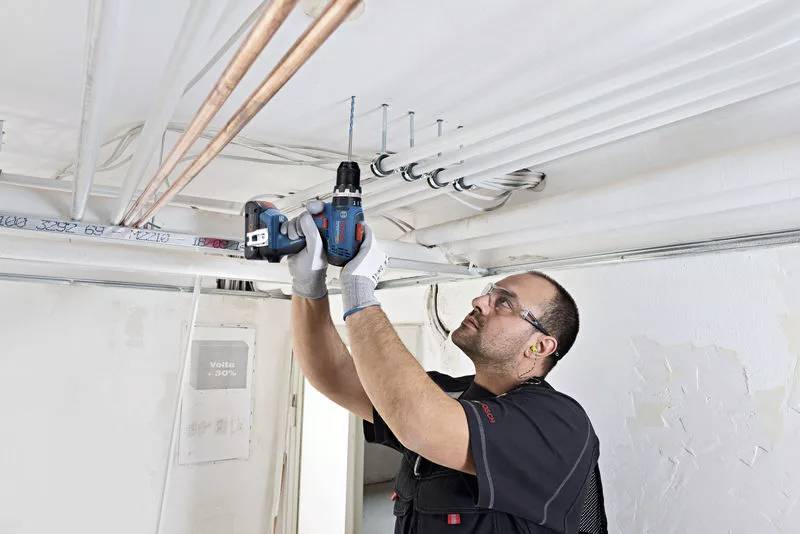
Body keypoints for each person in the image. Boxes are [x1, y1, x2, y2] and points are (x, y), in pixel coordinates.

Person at [286, 210, 607, 534]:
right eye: (488, 293)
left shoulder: (557, 422)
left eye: (504, 303)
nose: (479, 301)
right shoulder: (449, 397)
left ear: (539, 346)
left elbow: (423, 424)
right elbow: (335, 375)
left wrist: (360, 293)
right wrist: (308, 287)